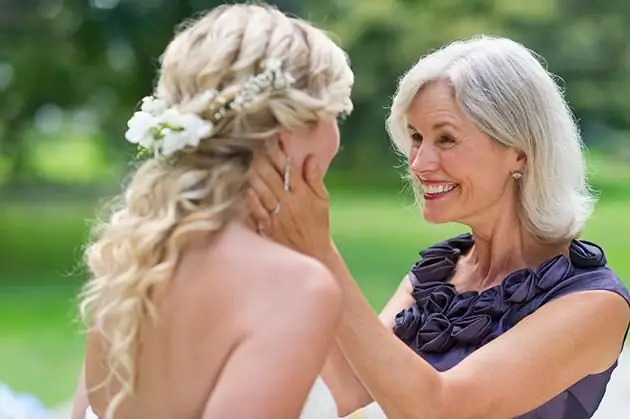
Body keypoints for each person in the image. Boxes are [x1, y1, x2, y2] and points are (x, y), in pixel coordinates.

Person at [248, 35, 630, 418]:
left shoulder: (594, 301)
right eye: (416, 137)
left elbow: (441, 409)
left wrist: (322, 252)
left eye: (445, 139)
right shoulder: (439, 274)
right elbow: (344, 388)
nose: (418, 163)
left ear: (519, 152)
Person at [69, 3, 354, 419]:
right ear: (288, 132)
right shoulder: (294, 288)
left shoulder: (133, 264)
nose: (336, 139)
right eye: (335, 115)